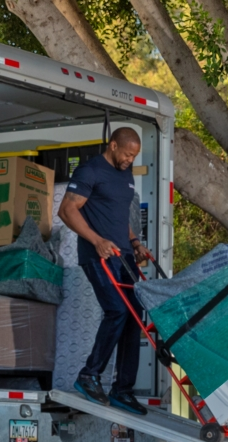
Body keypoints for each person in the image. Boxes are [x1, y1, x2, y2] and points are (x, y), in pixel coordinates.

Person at [57, 127, 155, 415]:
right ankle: (89, 375)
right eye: (127, 154)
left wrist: (135, 242)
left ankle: (122, 390)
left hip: (123, 255)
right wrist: (96, 240)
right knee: (116, 310)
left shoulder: (125, 173)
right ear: (113, 145)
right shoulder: (90, 171)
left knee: (135, 315)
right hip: (98, 254)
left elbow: (118, 216)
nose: (130, 160)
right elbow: (67, 210)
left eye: (134, 156)